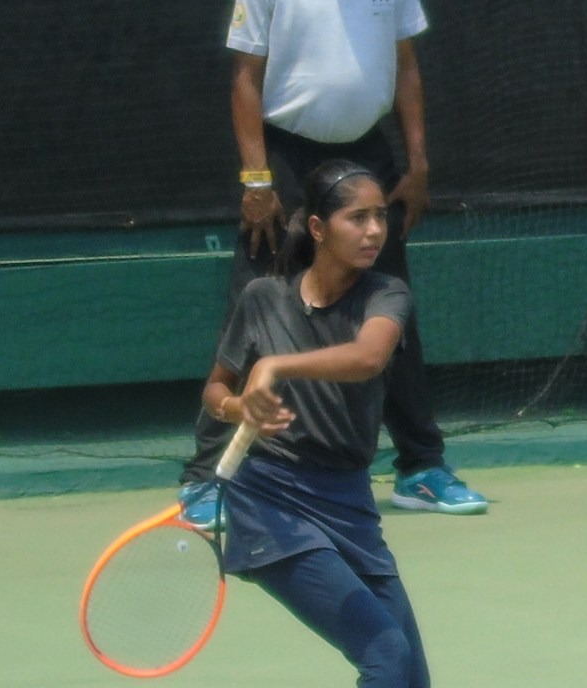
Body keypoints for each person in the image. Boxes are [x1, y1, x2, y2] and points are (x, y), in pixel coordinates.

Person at [202, 159, 477, 688]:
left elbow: (366, 357)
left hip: (348, 501)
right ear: (320, 228)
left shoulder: (386, 294)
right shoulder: (262, 297)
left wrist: (277, 368)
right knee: (382, 648)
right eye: (359, 217)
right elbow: (216, 389)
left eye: (381, 216)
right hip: (269, 502)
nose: (375, 229)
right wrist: (240, 405)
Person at [178, 0, 488, 529]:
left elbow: (406, 65)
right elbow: (246, 77)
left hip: (369, 157)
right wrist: (257, 178)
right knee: (255, 308)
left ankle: (421, 467)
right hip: (283, 159)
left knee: (391, 311)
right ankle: (208, 477)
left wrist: (417, 163)